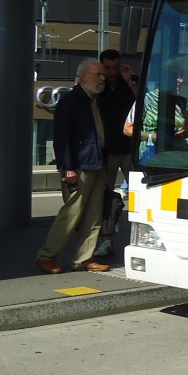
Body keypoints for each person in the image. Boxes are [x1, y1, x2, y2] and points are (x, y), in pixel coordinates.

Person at [35, 58, 111, 274]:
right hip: (79, 166)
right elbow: (62, 137)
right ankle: (47, 255)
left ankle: (84, 259)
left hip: (96, 163)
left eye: (103, 74)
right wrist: (67, 167)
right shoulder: (71, 101)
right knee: (71, 214)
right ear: (84, 76)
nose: (102, 78)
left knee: (94, 216)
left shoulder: (95, 100)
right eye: (98, 74)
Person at [94, 49, 138, 257]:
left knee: (140, 191)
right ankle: (107, 240)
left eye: (115, 68)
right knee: (106, 195)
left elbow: (141, 103)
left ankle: (142, 236)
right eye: (107, 68)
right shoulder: (97, 86)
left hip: (129, 147)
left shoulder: (127, 85)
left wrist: (129, 82)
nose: (112, 72)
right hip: (108, 149)